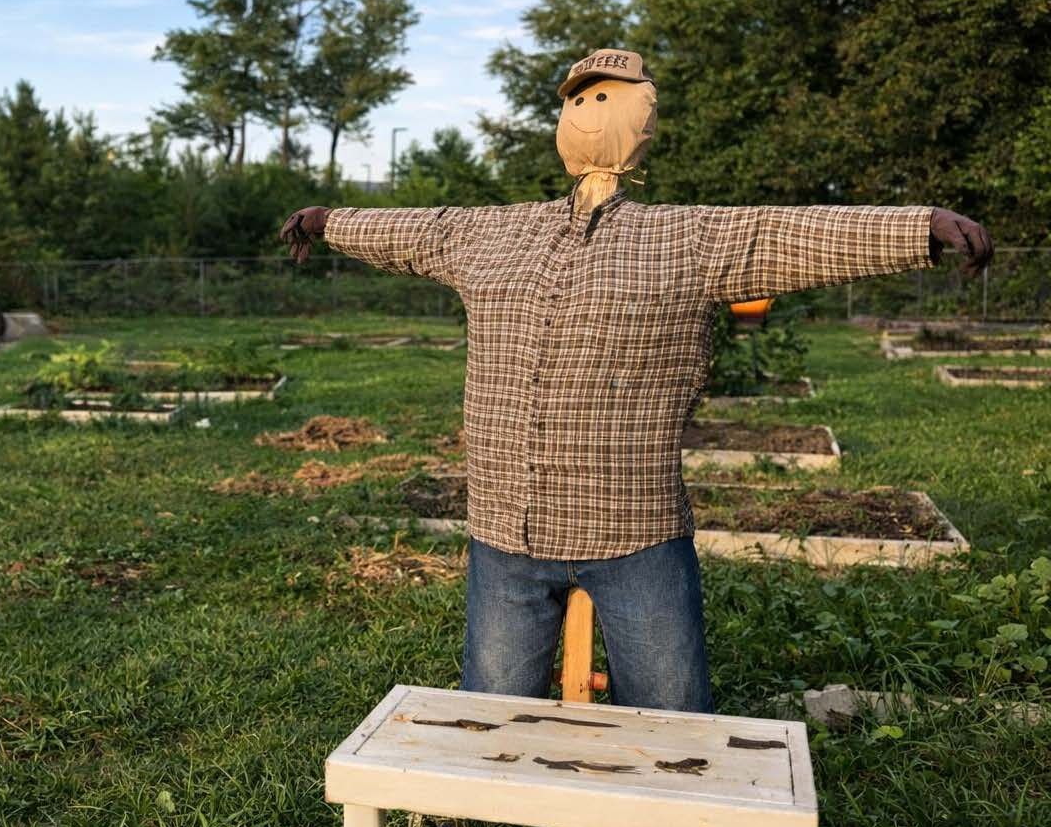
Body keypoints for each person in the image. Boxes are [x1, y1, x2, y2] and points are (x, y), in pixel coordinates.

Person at [279, 48, 992, 714]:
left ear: (640, 115)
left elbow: (783, 234)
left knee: (671, 717)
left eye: (607, 97)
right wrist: (330, 221)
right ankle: (472, 817)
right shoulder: (491, 233)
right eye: (580, 99)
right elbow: (416, 230)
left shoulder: (686, 239)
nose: (590, 110)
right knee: (490, 710)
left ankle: (675, 822)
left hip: (632, 526)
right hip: (505, 525)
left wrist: (918, 228)